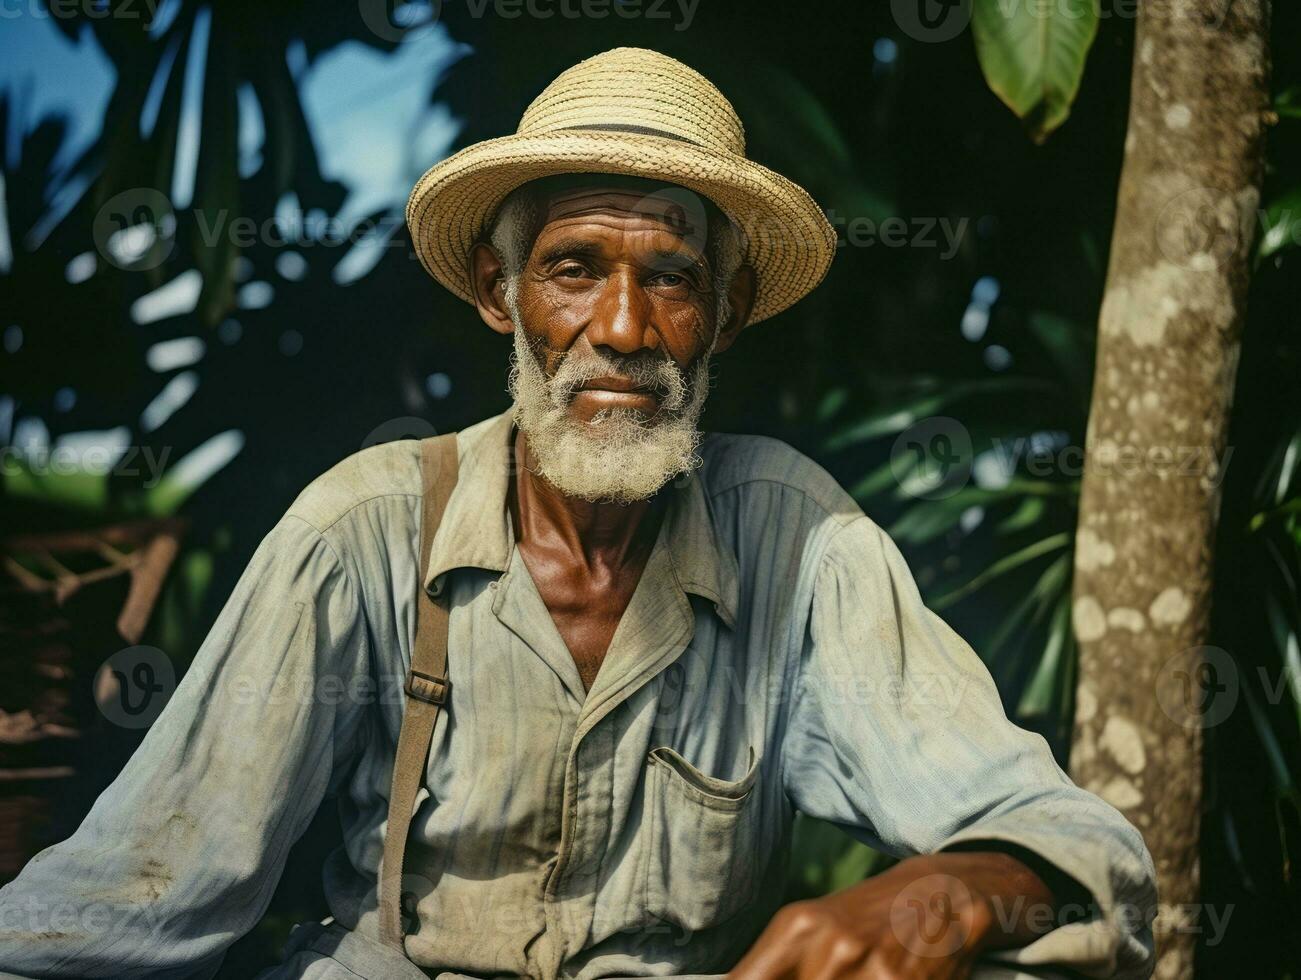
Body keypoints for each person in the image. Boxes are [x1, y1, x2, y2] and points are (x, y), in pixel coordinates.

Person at [0, 47, 1156, 980]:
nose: (621, 327)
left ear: (727, 311)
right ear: (500, 296)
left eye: (670, 276)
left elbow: (1079, 846)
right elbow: (135, 893)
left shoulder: (798, 541)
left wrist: (935, 894)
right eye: (572, 267)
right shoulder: (361, 531)